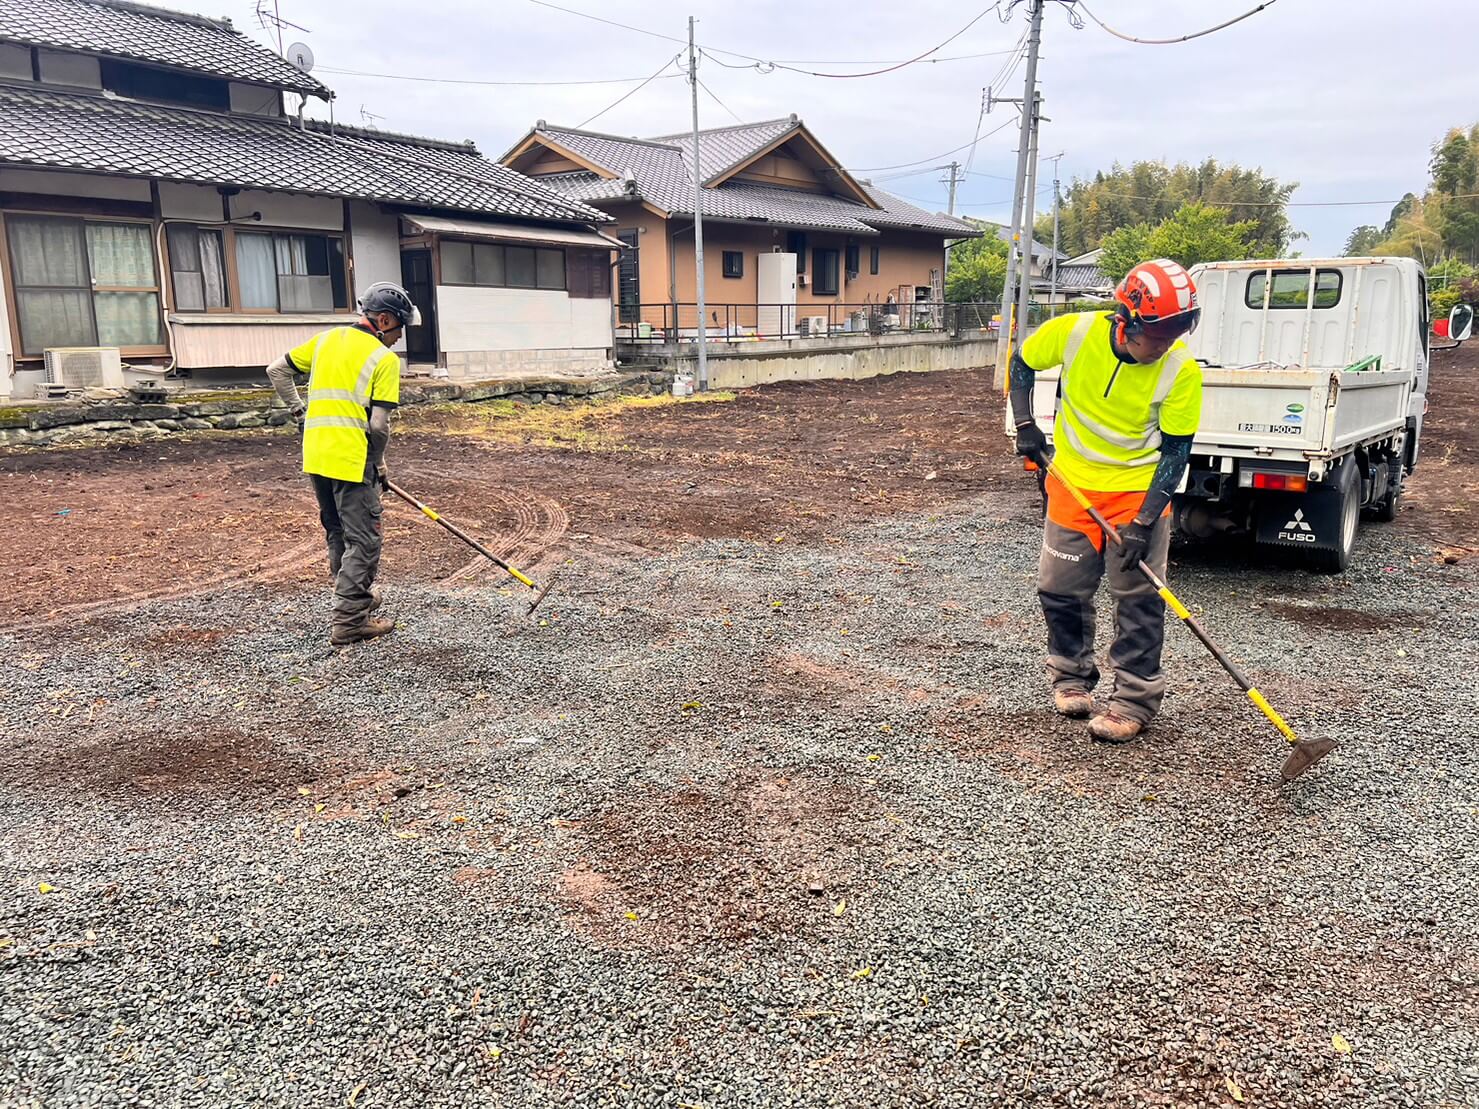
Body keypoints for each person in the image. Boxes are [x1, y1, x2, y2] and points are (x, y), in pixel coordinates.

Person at [1008, 259, 1203, 742]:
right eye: (1157, 332)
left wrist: (1144, 520)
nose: (1166, 343)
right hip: (1072, 485)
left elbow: (1176, 452)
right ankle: (1071, 678)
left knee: (1139, 601)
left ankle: (1133, 701)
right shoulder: (1072, 333)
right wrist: (1027, 425)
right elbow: (1022, 363)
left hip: (1136, 492)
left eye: (1178, 330)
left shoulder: (1181, 370)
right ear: (1126, 319)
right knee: (1060, 590)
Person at [266, 282, 419, 646]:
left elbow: (277, 370)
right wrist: (378, 463)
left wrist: (298, 410)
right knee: (364, 540)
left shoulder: (325, 340)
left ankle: (353, 599)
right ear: (383, 320)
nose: (400, 338)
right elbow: (378, 425)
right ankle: (350, 621)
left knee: (338, 533)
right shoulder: (383, 360)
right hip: (351, 460)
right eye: (399, 329)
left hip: (315, 454)